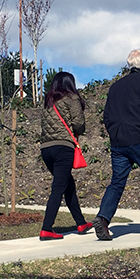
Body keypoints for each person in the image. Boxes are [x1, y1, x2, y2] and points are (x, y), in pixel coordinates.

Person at [93, 48, 140, 240]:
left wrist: (114, 134)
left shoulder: (115, 87)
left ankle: (103, 218)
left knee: (117, 182)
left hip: (119, 143)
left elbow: (107, 116)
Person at [39, 71, 93, 241]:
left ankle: (81, 222)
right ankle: (46, 228)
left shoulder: (48, 101)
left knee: (67, 185)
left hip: (46, 149)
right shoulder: (72, 98)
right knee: (58, 188)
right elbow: (79, 124)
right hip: (63, 148)